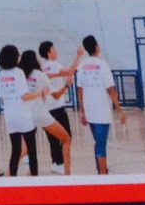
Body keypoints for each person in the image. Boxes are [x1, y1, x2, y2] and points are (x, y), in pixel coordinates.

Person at [73, 35, 120, 175]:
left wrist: (82, 111)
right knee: (101, 144)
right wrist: (120, 110)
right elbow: (110, 89)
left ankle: (100, 170)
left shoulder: (82, 66)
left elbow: (79, 89)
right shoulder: (103, 65)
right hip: (102, 111)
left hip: (90, 111)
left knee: (98, 142)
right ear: (96, 47)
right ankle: (103, 174)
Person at [0, 45, 40, 176]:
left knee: (15, 151)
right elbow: (25, 96)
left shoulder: (0, 75)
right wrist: (41, 93)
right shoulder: (18, 72)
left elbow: (2, 99)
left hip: (10, 116)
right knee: (31, 150)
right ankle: (35, 181)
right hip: (23, 115)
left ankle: (13, 182)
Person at [38, 39, 75, 171]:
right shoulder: (54, 65)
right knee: (67, 135)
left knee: (53, 137)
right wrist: (78, 57)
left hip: (46, 107)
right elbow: (69, 71)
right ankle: (60, 162)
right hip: (57, 107)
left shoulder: (42, 67)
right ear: (49, 53)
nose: (56, 51)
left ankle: (56, 163)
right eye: (53, 49)